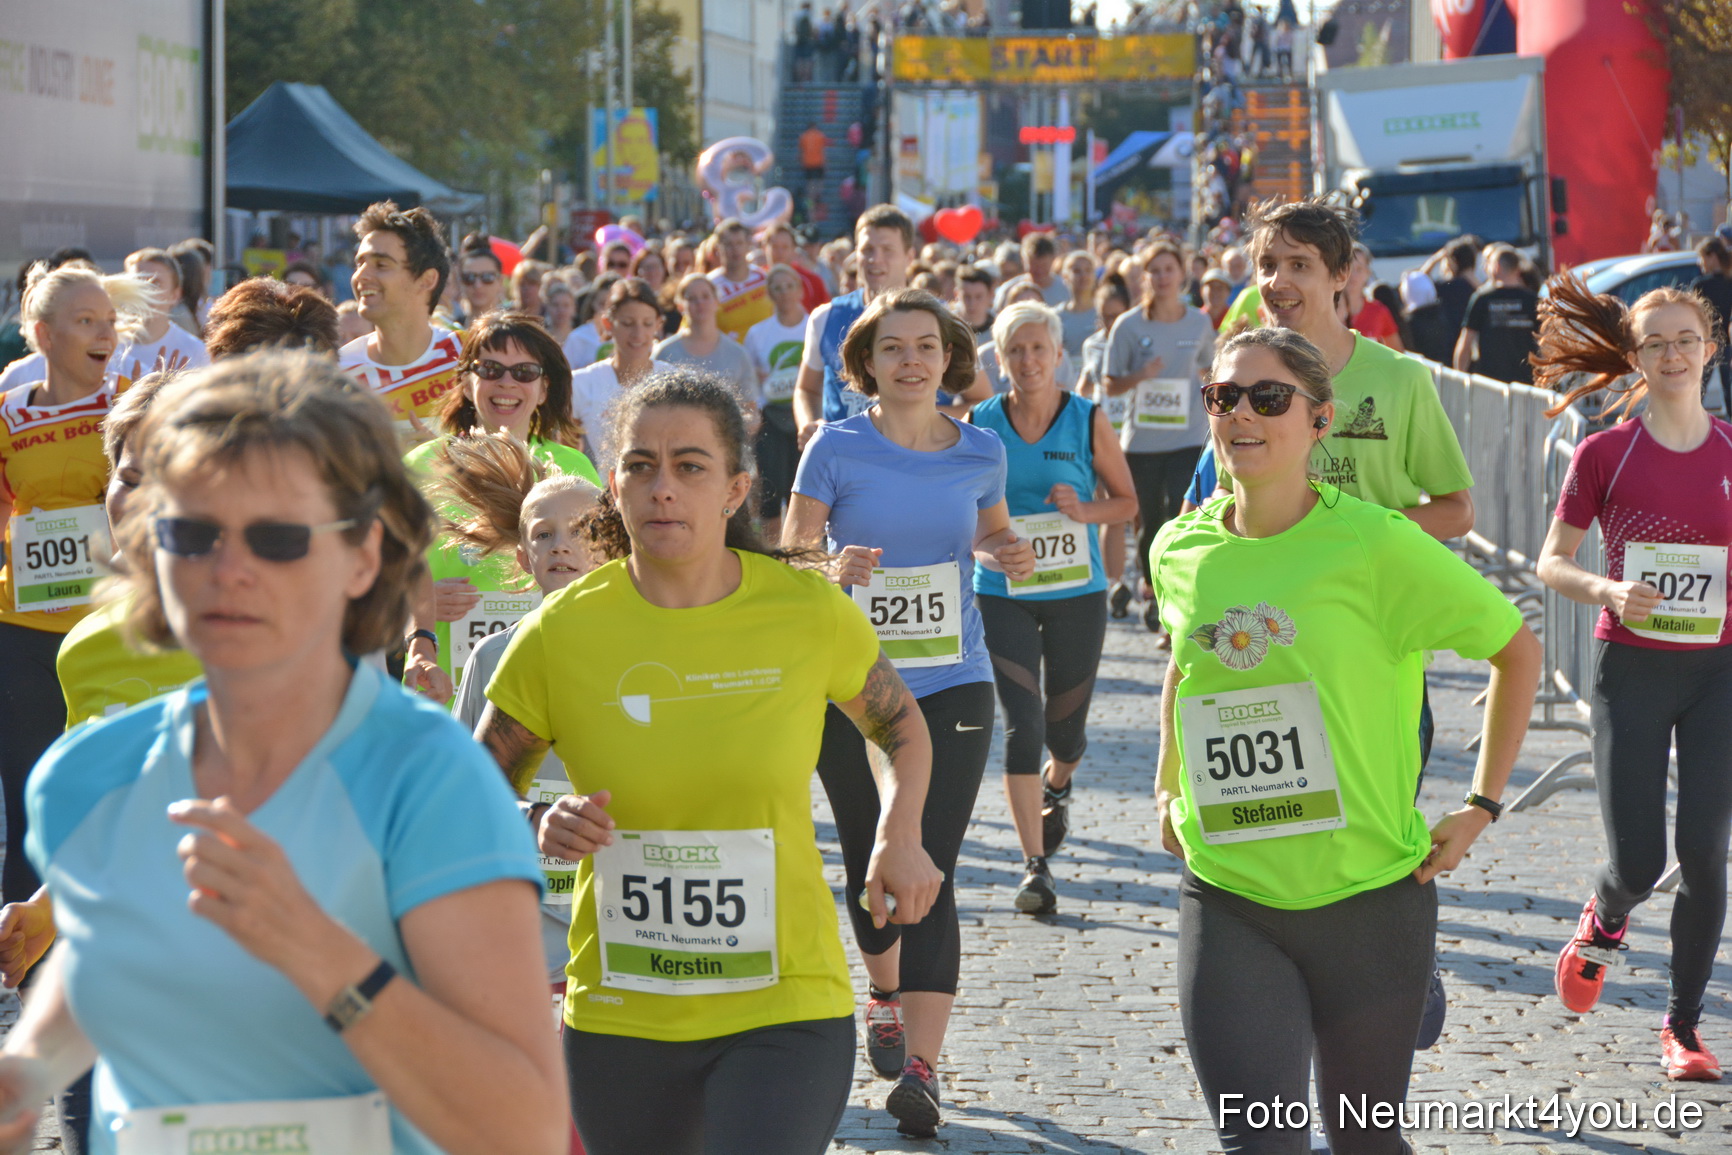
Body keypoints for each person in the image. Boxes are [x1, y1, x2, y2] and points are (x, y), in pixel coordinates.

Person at [0, 354, 566, 1155]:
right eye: (191, 531)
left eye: (276, 537)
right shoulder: (84, 773)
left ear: (363, 554)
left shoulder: (430, 778)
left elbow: (524, 1123)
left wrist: (319, 953)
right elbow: (106, 956)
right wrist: (25, 1073)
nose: (228, 571)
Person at [476, 371, 943, 1155]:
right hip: (622, 1012)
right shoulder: (559, 633)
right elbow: (470, 790)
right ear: (614, 485)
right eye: (641, 465)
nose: (663, 487)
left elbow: (901, 728)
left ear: (734, 489)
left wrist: (900, 832)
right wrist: (536, 818)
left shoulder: (804, 611)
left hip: (784, 1006)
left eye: (690, 466)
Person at [1153, 326, 1540, 1154]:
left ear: (1319, 420)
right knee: (1261, 1142)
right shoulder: (1178, 548)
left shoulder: (1378, 542)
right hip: (1229, 894)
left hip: (1369, 901)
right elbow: (1186, 670)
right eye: (1224, 396)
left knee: (1365, 1139)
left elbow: (1516, 648)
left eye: (1268, 398)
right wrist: (1167, 782)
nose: (1242, 414)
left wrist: (1480, 805)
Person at [783, 289, 1033, 1136]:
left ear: (949, 358)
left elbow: (990, 535)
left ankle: (922, 1068)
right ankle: (883, 992)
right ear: (866, 362)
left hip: (953, 679)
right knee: (870, 856)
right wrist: (831, 568)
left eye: (927, 345)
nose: (912, 361)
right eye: (893, 347)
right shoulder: (832, 446)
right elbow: (791, 558)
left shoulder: (982, 449)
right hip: (849, 684)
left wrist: (1007, 550)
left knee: (931, 860)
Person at [1534, 276, 1732, 1080]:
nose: (1673, 353)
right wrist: (1608, 589)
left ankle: (1682, 1028)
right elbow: (1551, 562)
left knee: (1707, 850)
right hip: (1633, 670)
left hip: (1719, 671)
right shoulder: (1605, 454)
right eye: (1656, 343)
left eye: (1686, 339)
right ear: (1635, 358)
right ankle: (1607, 915)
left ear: (1710, 348)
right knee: (1641, 862)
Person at [968, 302, 1137, 914]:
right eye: (1016, 350)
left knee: (1065, 736)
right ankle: (1034, 867)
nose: (1028, 360)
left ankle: (1057, 783)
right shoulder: (981, 423)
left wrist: (1084, 510)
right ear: (999, 358)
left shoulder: (1086, 418)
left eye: (1038, 348)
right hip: (1004, 595)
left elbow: (1126, 502)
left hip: (1076, 596)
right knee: (1023, 726)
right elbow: (965, 517)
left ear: (1059, 354)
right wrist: (990, 553)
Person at [0, 264, 153, 910]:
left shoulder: (132, 404)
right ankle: (23, 947)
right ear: (43, 335)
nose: (104, 335)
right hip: (24, 631)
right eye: (86, 321)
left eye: (109, 322)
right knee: (29, 798)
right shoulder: (7, 415)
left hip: (112, 630)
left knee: (111, 797)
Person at [440, 435, 601, 993]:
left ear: (615, 545)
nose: (561, 546)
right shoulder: (492, 656)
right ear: (522, 557)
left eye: (581, 530)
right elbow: (462, 790)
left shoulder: (651, 653)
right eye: (543, 534)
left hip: (617, 913)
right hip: (522, 919)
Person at [401, 313, 598, 701]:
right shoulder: (421, 467)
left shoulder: (574, 468)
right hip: (445, 691)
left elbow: (604, 572)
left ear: (543, 390)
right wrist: (419, 606)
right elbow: (378, 576)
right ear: (466, 382)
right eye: (491, 369)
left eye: (524, 372)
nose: (507, 383)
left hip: (551, 683)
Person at [1102, 241, 1216, 636]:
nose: (1163, 277)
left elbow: (1211, 370)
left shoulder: (1198, 323)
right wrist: (1141, 375)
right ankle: (1151, 588)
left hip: (1189, 437)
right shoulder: (1129, 325)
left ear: (1182, 273)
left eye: (1169, 269)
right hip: (1143, 443)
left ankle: (1174, 597)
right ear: (1145, 276)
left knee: (1180, 516)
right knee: (1150, 522)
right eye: (1155, 270)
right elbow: (1110, 384)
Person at [339, 202, 463, 444]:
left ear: (426, 280)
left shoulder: (468, 357)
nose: (361, 276)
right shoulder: (339, 373)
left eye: (381, 265)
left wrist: (441, 456)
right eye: (359, 263)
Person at [1077, 273, 1136, 616]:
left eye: (1116, 315)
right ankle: (1114, 584)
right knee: (1111, 510)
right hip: (1102, 434)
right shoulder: (1092, 344)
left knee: (1136, 513)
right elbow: (1086, 382)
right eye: (1105, 316)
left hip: (1136, 433)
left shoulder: (1137, 341)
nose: (1111, 323)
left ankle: (1145, 581)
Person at [745, 265, 810, 527]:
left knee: (805, 492)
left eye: (789, 286)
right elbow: (748, 380)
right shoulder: (757, 333)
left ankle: (802, 549)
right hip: (771, 419)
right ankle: (771, 549)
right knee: (770, 495)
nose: (784, 293)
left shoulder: (814, 326)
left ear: (800, 290)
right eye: (777, 288)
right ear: (769, 294)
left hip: (808, 418)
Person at [655, 274, 758, 409]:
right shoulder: (665, 353)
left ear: (716, 301)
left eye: (705, 296)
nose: (700, 303)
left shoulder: (738, 354)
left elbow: (750, 408)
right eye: (692, 298)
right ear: (680, 306)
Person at [116, 249, 212, 380]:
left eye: (156, 284)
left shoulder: (196, 351)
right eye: (137, 282)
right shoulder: (108, 345)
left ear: (175, 295)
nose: (146, 291)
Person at [1455, 247, 1538, 383]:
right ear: (1517, 269)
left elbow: (1466, 342)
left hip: (1491, 384)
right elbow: (1545, 342)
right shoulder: (1533, 300)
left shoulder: (1482, 298)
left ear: (1497, 267)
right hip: (1527, 383)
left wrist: (1459, 377)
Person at [708, 218, 774, 343]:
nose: (735, 249)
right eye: (729, 244)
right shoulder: (709, 285)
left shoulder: (763, 278)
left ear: (748, 245)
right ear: (718, 248)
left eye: (739, 243)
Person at [1690, 236, 1732, 416]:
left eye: (1702, 258)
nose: (1700, 263)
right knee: (1729, 391)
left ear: (1712, 256)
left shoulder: (1701, 285)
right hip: (1727, 343)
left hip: (1705, 343)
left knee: (1696, 392)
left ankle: (1689, 426)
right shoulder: (1729, 282)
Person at [1343, 244, 1404, 351]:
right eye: (1347, 268)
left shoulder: (1379, 311)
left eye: (1359, 269)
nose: (1353, 275)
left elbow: (1397, 353)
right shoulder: (1325, 311)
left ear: (1368, 273)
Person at [994, 233, 1068, 312]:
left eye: (1044, 265)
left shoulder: (1066, 290)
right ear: (1023, 261)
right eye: (1034, 265)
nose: (1039, 270)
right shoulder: (1008, 290)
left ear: (1053, 260)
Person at [455, 238, 507, 326]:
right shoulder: (450, 329)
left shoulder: (514, 330)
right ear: (460, 281)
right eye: (469, 278)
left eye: (487, 277)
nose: (478, 285)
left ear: (500, 281)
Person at [1057, 251, 1097, 358]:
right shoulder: (1057, 317)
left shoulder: (1105, 312)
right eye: (1077, 271)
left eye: (1088, 270)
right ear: (1065, 277)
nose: (1084, 276)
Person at [956, 264, 995, 338]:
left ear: (990, 295)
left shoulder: (1000, 330)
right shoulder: (945, 327)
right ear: (956, 294)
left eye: (978, 297)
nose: (972, 303)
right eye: (967, 297)